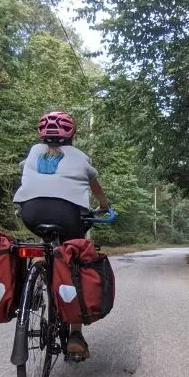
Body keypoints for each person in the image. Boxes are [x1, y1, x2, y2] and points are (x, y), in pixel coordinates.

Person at [13, 110, 111, 358]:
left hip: (31, 212)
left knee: (45, 246)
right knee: (74, 262)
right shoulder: (80, 157)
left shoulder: (33, 152)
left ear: (41, 134)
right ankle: (75, 336)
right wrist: (105, 207)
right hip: (69, 216)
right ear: (72, 134)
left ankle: (33, 283)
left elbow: (28, 176)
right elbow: (96, 188)